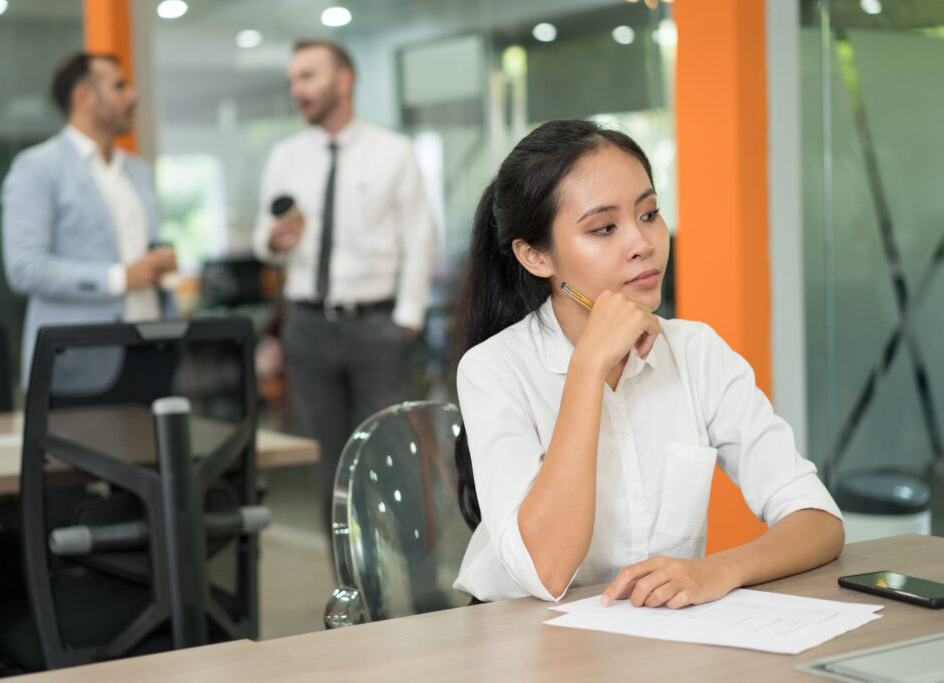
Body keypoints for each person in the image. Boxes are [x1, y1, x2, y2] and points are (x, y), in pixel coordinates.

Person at [452, 119, 844, 606]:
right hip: (518, 639)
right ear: (535, 256)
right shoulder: (492, 369)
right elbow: (546, 573)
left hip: (652, 634)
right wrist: (589, 368)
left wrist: (719, 570)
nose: (643, 244)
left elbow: (817, 518)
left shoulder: (696, 352)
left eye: (650, 213)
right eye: (604, 228)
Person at [253, 41, 436, 531]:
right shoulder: (286, 157)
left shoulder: (392, 152)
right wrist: (272, 240)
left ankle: (419, 598)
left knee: (395, 457)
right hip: (307, 328)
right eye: (294, 80)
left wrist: (407, 320)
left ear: (344, 80)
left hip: (376, 326)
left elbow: (421, 237)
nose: (298, 90)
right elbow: (262, 242)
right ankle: (351, 595)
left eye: (308, 77)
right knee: (330, 468)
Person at [1, 52, 177, 390]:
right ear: (84, 97)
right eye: (119, 86)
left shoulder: (138, 171)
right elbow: (24, 268)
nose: (133, 95)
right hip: (83, 362)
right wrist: (120, 278)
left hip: (154, 349)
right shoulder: (37, 168)